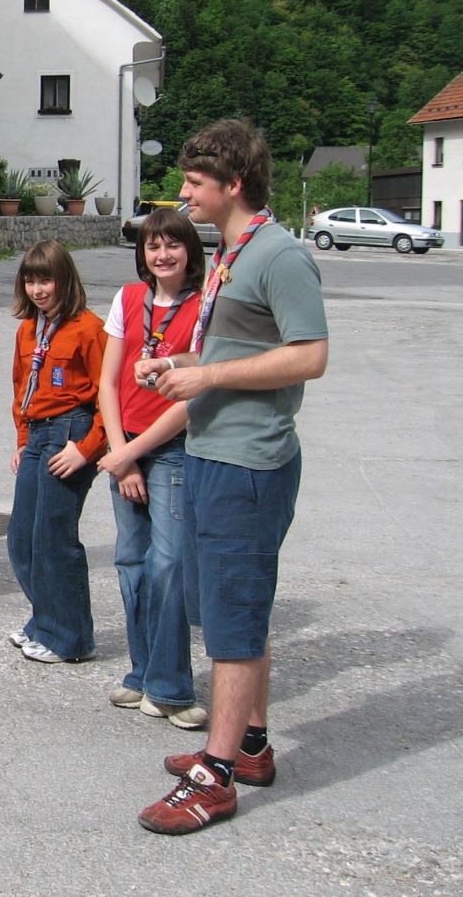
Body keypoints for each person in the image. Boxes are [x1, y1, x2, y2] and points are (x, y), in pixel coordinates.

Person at [134, 118, 327, 835]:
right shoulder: (231, 251)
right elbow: (239, 346)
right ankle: (248, 745)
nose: (183, 194)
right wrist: (184, 366)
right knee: (236, 605)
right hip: (217, 452)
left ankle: (214, 778)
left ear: (233, 184)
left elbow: (310, 355)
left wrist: (209, 372)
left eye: (194, 182)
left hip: (250, 462)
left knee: (233, 620)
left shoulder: (279, 255)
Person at [97, 209, 207, 727]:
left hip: (172, 449)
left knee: (169, 565)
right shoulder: (127, 298)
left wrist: (134, 454)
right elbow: (108, 383)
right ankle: (142, 675)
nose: (162, 255)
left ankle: (171, 688)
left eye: (172, 246)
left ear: (190, 251)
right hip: (127, 449)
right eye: (152, 246)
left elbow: (195, 396)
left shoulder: (205, 306)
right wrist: (122, 454)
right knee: (132, 563)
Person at [7, 240, 106, 662]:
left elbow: (109, 397)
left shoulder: (89, 328)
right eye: (30, 280)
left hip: (71, 431)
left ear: (64, 279)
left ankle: (71, 638)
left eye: (45, 279)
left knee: (55, 539)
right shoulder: (29, 328)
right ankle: (45, 621)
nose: (37, 289)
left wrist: (87, 450)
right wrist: (22, 441)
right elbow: (20, 388)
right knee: (21, 538)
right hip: (38, 433)